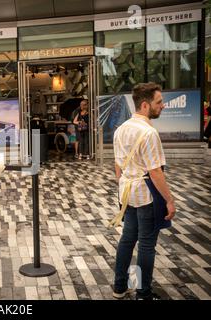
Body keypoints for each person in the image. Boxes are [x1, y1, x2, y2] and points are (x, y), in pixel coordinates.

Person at [112, 82, 176, 300]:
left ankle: (119, 287)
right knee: (147, 245)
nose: (163, 106)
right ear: (145, 105)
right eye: (159, 102)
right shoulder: (149, 133)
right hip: (146, 194)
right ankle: (143, 292)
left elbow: (117, 166)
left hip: (127, 192)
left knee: (128, 239)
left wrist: (122, 185)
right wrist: (169, 200)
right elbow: (155, 172)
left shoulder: (121, 129)